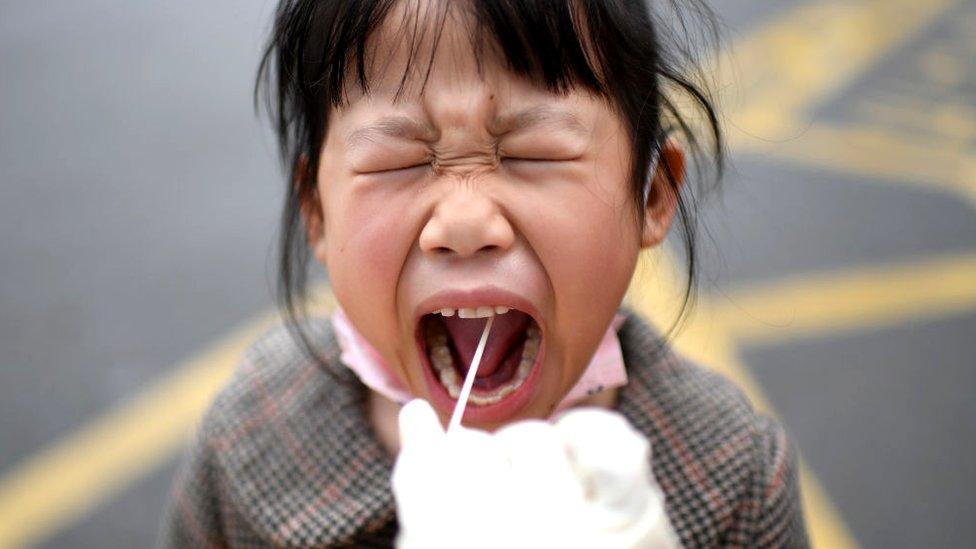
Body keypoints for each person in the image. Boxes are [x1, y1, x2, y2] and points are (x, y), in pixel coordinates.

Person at [160, 0, 809, 546]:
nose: (466, 222)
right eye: (395, 161)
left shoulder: (735, 482)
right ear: (317, 212)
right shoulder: (252, 434)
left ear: (653, 196)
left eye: (536, 150)